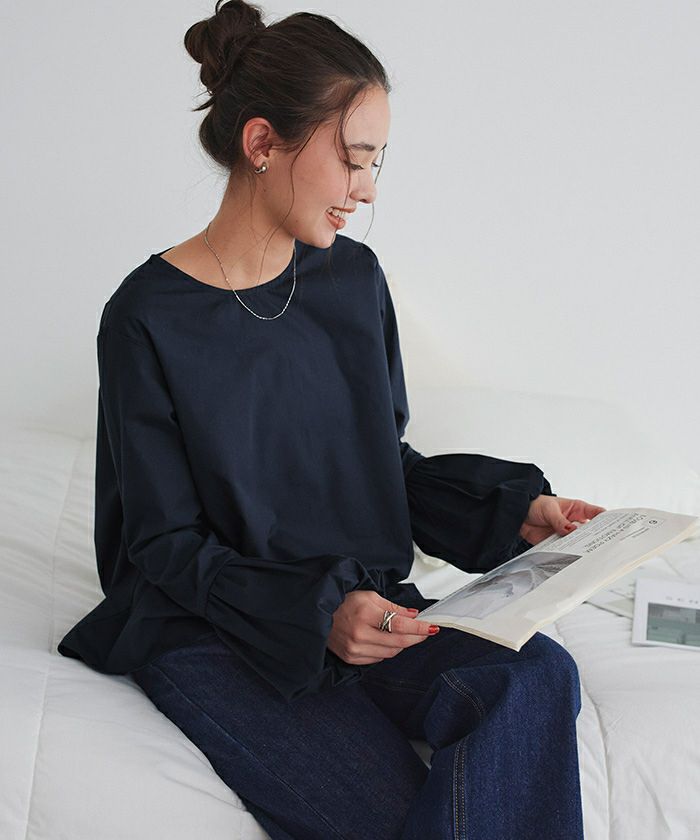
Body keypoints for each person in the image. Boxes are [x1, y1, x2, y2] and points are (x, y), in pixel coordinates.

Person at [57, 2, 606, 838]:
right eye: (353, 159)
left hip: (369, 609)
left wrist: (511, 512)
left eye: (376, 162)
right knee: (395, 818)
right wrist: (320, 614)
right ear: (262, 142)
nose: (368, 189)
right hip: (215, 630)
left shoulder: (353, 281)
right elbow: (161, 545)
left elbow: (380, 460)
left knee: (535, 676)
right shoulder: (147, 317)